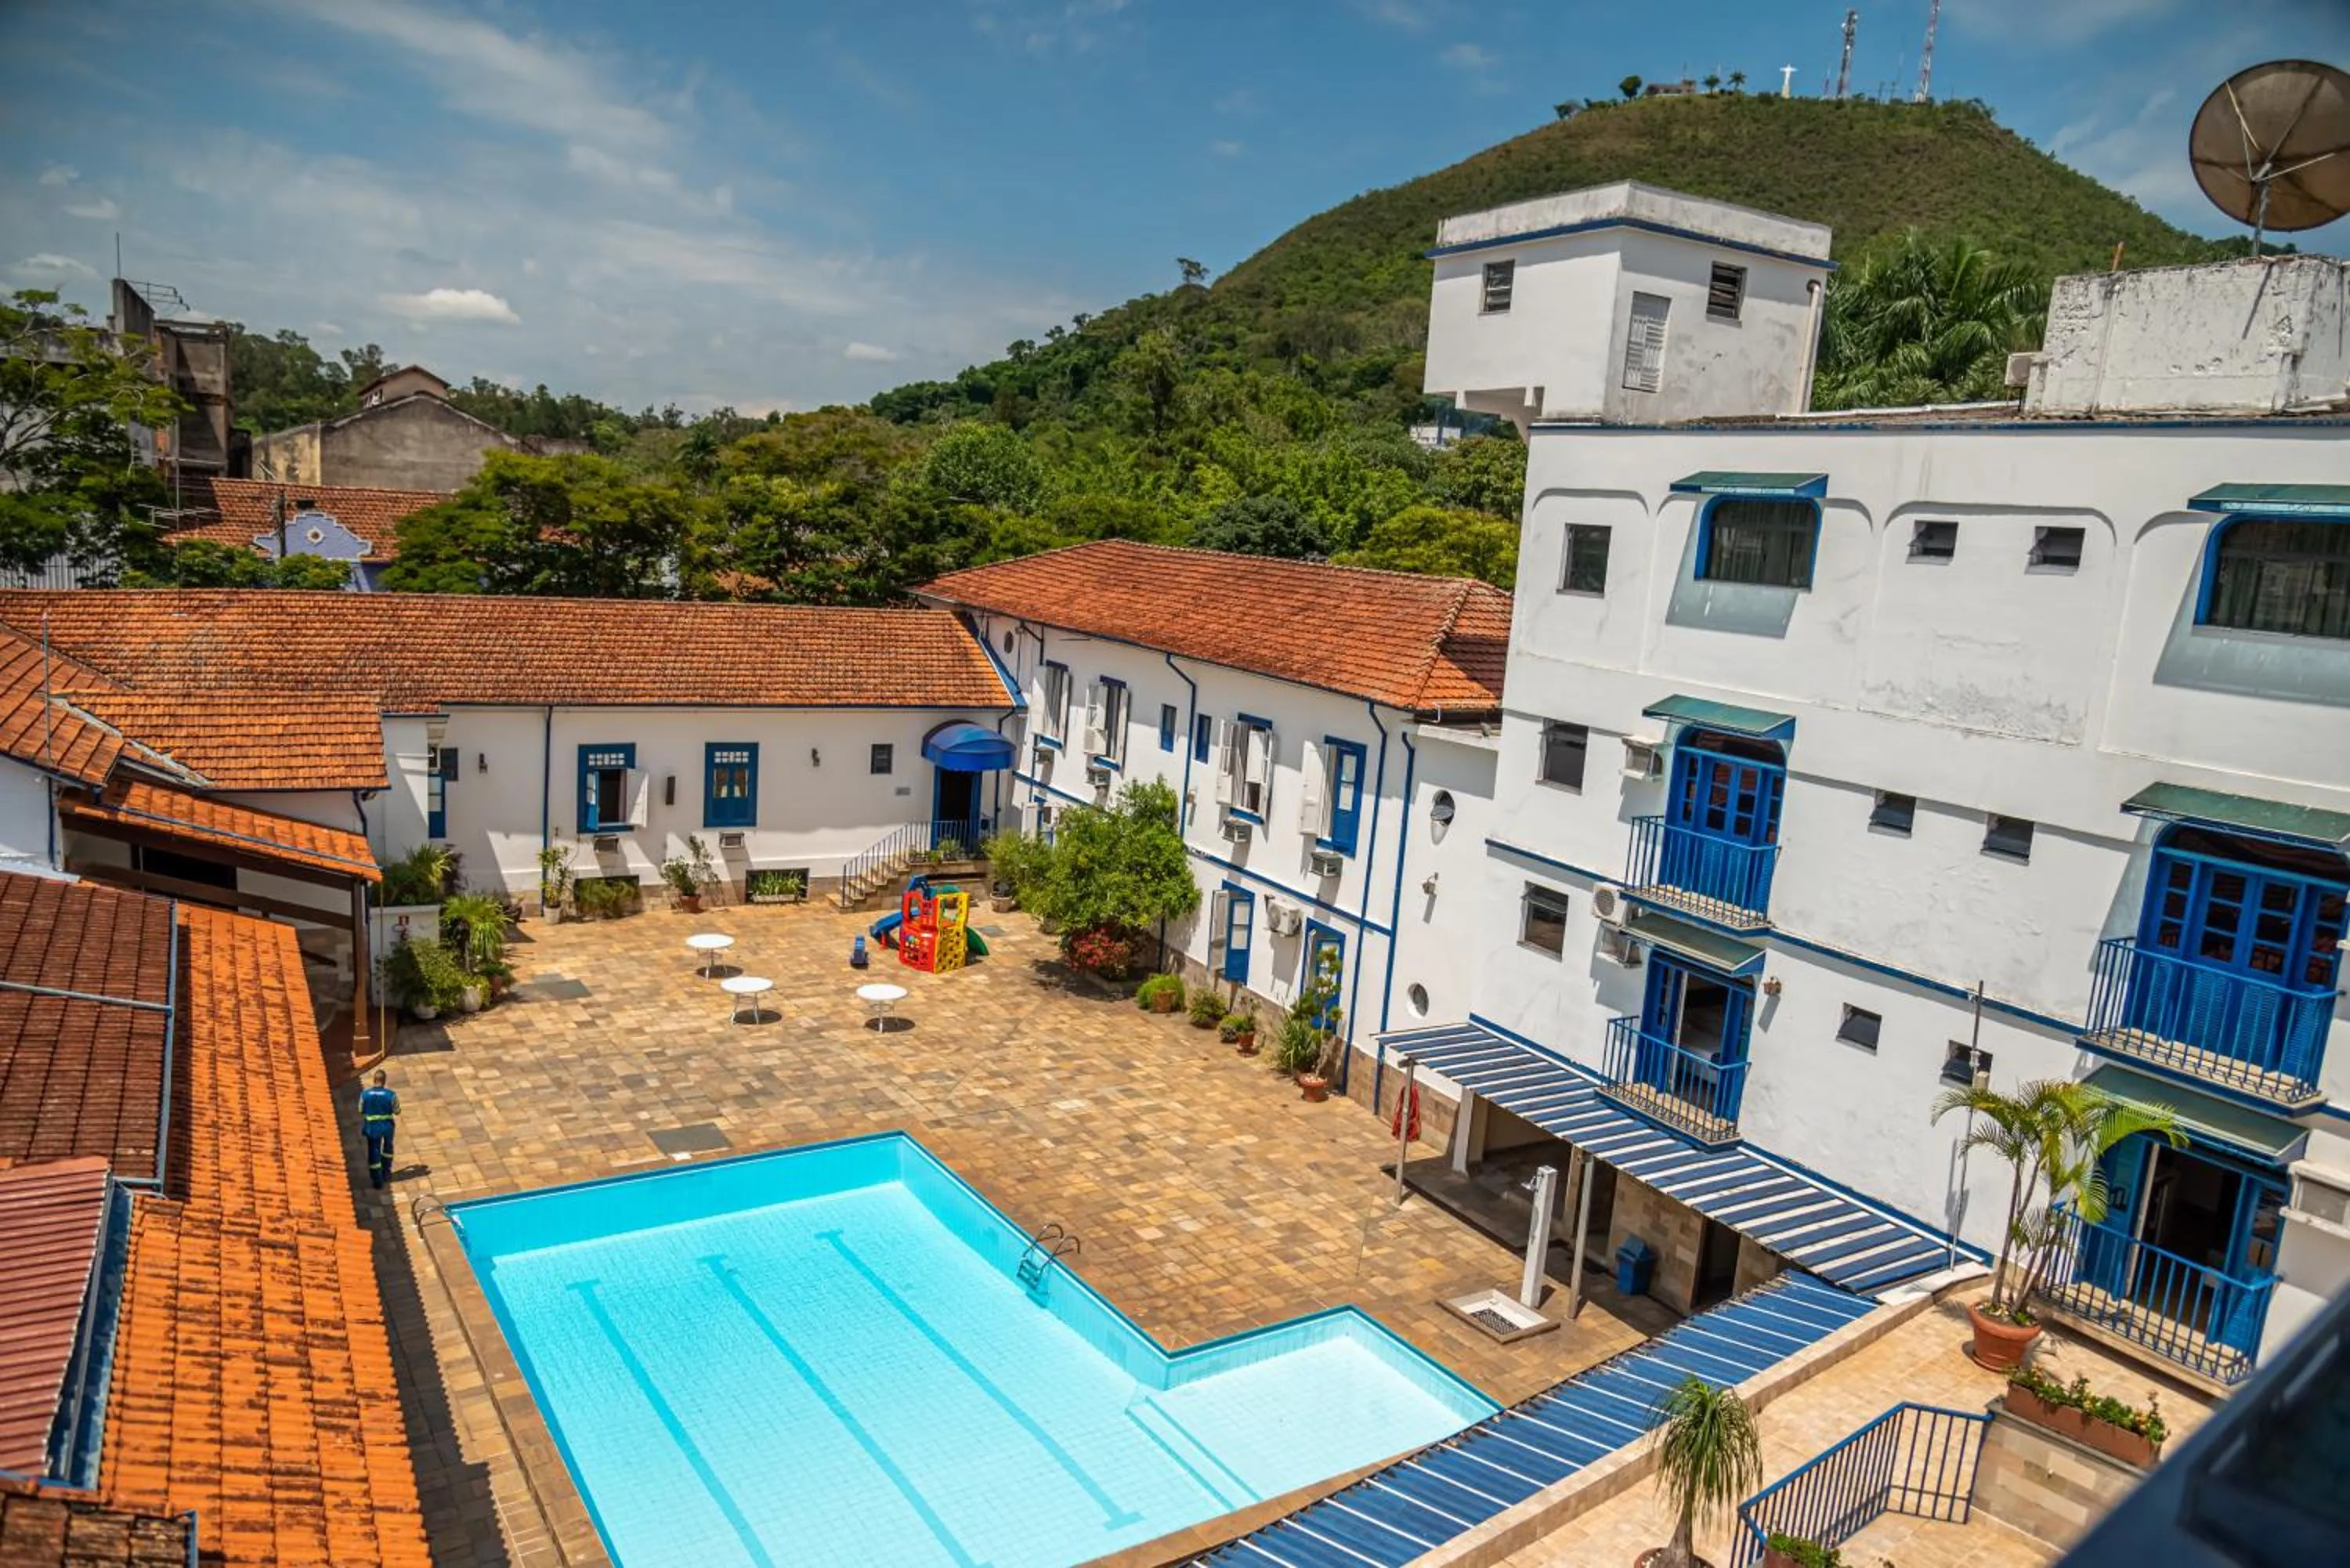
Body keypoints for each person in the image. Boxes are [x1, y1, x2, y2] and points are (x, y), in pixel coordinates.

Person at [359, 1069, 400, 1190]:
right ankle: (386, 1173)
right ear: (384, 1080)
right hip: (387, 1126)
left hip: (372, 1127)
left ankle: (377, 1181)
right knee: (387, 1149)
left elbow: (361, 1110)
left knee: (374, 1151)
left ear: (374, 1080)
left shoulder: (365, 1094)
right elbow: (397, 1111)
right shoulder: (391, 1095)